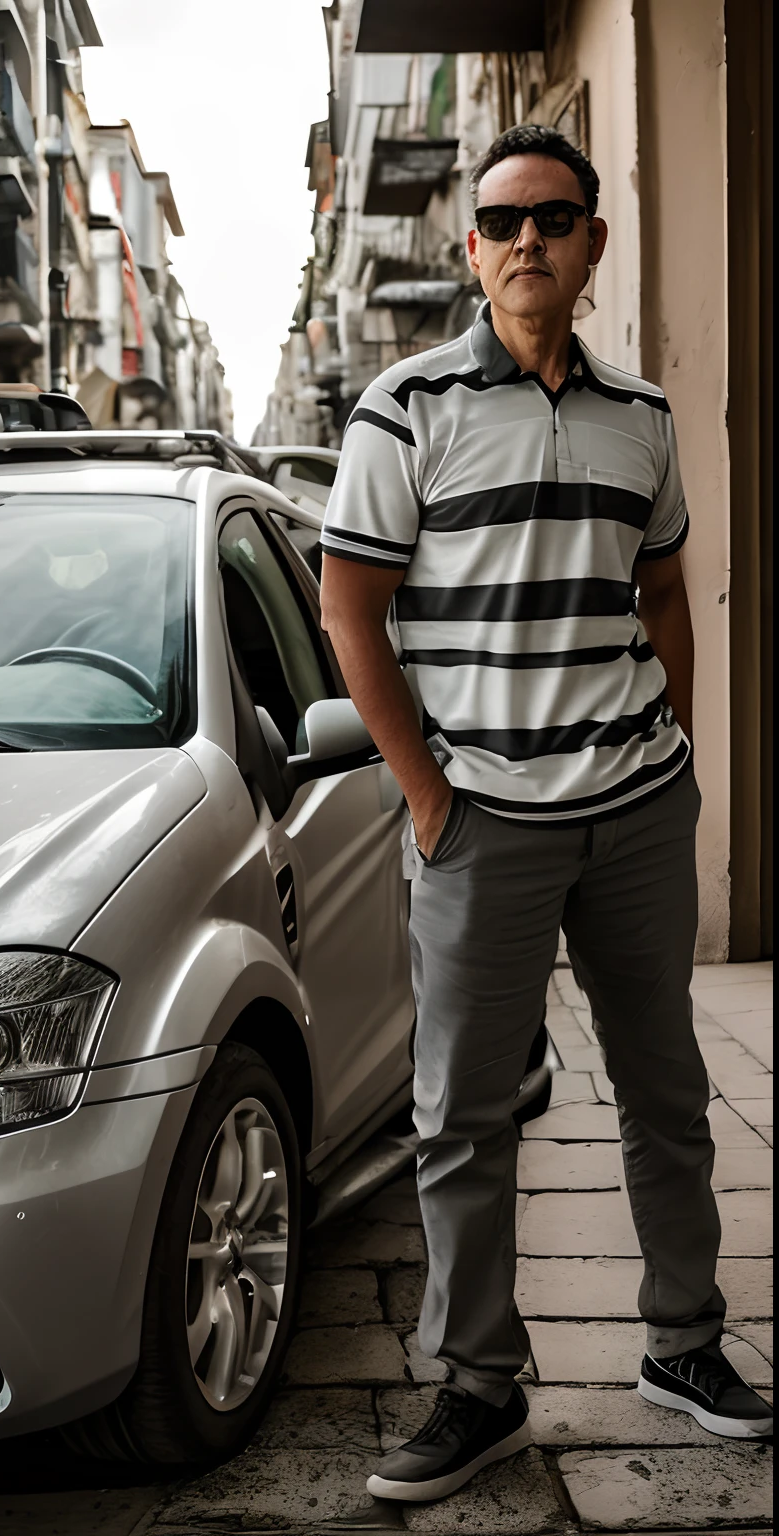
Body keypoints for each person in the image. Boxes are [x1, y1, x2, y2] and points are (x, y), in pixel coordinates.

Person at [319, 124, 772, 1505]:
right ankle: (478, 1387)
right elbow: (352, 607)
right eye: (503, 219)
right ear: (472, 249)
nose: (529, 238)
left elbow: (665, 592)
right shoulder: (406, 406)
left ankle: (683, 1345)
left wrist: (678, 757)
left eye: (555, 217)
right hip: (484, 821)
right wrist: (428, 795)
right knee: (462, 1114)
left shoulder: (642, 415)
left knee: (668, 1093)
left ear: (593, 243)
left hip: (634, 807)